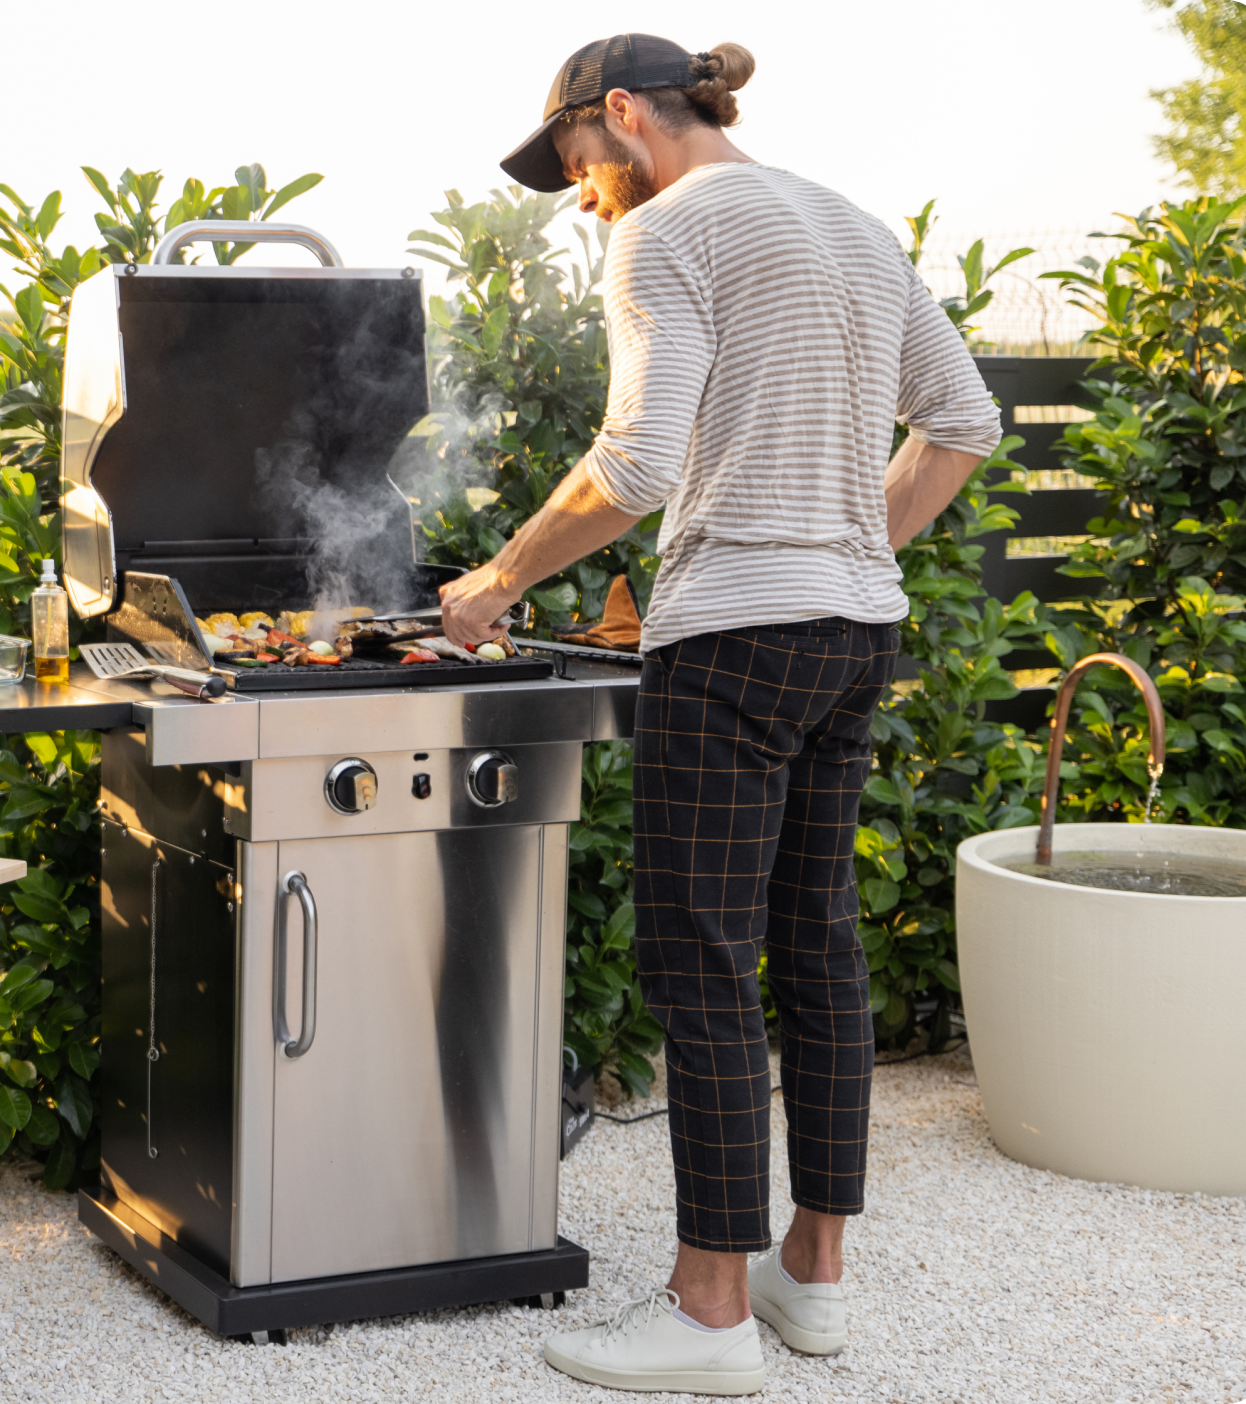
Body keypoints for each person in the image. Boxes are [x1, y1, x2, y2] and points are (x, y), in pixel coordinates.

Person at [438, 33, 1004, 1397]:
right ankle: (808, 1280)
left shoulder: (666, 231)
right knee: (815, 947)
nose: (579, 198)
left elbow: (632, 462)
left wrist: (496, 579)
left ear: (622, 117)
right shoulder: (854, 226)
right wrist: (842, 545)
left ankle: (703, 1315)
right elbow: (964, 418)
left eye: (575, 164)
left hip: (734, 642)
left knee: (699, 959)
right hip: (852, 634)